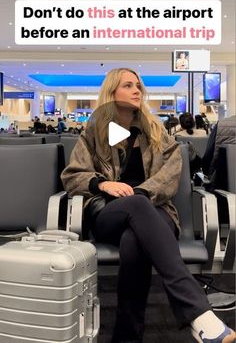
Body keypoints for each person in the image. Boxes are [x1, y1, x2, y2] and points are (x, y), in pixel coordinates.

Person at [61, 68, 235, 343]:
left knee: (134, 239)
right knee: (135, 208)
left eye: (138, 86)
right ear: (112, 93)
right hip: (108, 212)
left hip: (157, 212)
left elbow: (170, 174)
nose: (137, 90)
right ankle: (198, 313)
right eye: (128, 85)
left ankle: (127, 337)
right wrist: (102, 185)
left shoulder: (157, 132)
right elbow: (72, 175)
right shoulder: (95, 132)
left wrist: (140, 192)